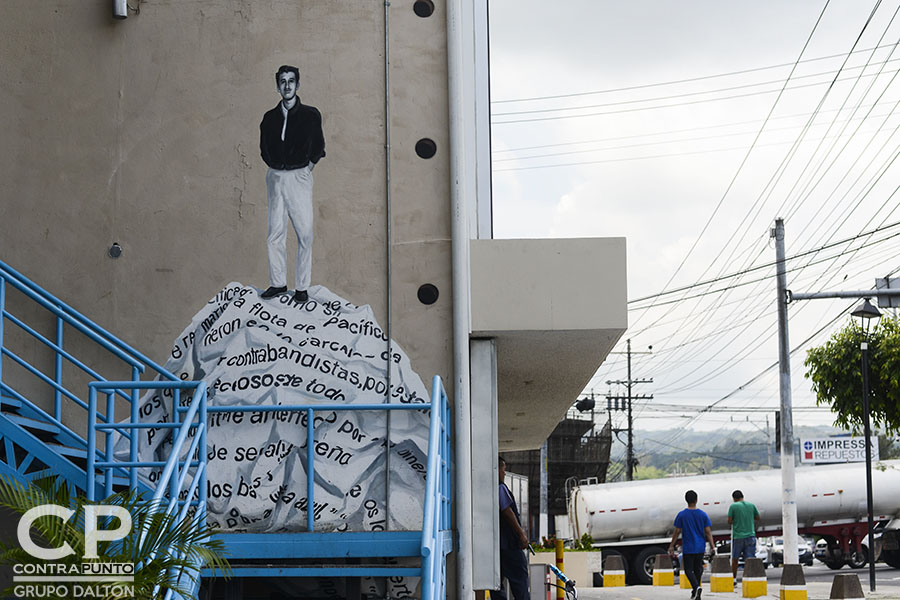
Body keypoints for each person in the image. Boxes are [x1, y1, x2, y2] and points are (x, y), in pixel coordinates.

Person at [259, 64, 326, 304]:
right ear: (277, 86)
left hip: (299, 176)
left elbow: (318, 146)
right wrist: (276, 166)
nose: (287, 86)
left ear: (298, 85)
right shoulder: (269, 117)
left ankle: (302, 288)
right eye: (283, 81)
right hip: (276, 176)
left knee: (304, 233)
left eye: (291, 81)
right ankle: (277, 283)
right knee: (275, 233)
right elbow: (263, 148)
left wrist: (306, 168)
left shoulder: (310, 115)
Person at [668, 489, 715, 600]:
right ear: (697, 500)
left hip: (689, 547)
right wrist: (713, 546)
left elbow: (677, 531)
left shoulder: (682, 515)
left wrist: (671, 545)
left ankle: (696, 587)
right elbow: (708, 532)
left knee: (688, 570)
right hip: (700, 546)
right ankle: (695, 591)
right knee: (698, 568)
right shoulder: (702, 514)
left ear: (686, 500)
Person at [495, 456, 530, 600]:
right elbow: (507, 512)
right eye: (503, 469)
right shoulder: (500, 488)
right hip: (509, 544)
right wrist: (522, 535)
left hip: (496, 547)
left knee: (496, 584)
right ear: (496, 469)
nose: (504, 473)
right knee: (520, 580)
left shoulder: (486, 488)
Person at [728, 489, 760, 579]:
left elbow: (730, 521)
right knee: (750, 559)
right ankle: (751, 577)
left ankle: (734, 578)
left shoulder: (733, 506)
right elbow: (758, 517)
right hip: (751, 535)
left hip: (738, 536)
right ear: (742, 497)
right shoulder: (751, 505)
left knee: (735, 559)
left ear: (734, 498)